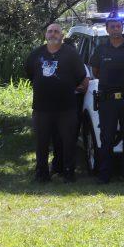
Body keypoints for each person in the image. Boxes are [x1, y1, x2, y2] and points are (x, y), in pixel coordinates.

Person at [24, 23, 88, 182]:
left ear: (62, 35)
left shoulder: (71, 54)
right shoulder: (36, 54)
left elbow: (81, 76)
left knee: (68, 142)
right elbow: (30, 74)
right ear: (46, 34)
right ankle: (42, 174)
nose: (53, 34)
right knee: (42, 142)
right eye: (50, 31)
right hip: (42, 108)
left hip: (66, 108)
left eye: (56, 32)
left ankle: (68, 173)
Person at [89, 13, 124, 182]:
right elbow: (96, 71)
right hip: (108, 100)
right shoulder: (101, 49)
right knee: (107, 137)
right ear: (107, 29)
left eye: (118, 25)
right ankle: (105, 174)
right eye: (112, 26)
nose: (115, 29)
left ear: (122, 27)